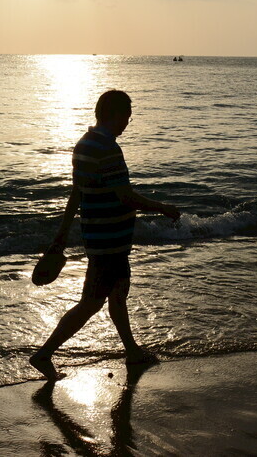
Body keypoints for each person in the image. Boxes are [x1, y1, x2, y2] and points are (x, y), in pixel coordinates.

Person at [29, 89, 181, 381]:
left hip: (98, 236)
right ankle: (44, 354)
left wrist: (61, 235)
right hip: (109, 240)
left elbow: (76, 194)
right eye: (126, 117)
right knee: (91, 302)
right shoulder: (108, 149)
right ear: (115, 115)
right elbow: (124, 196)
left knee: (118, 293)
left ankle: (132, 351)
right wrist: (160, 207)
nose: (128, 123)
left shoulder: (83, 144)